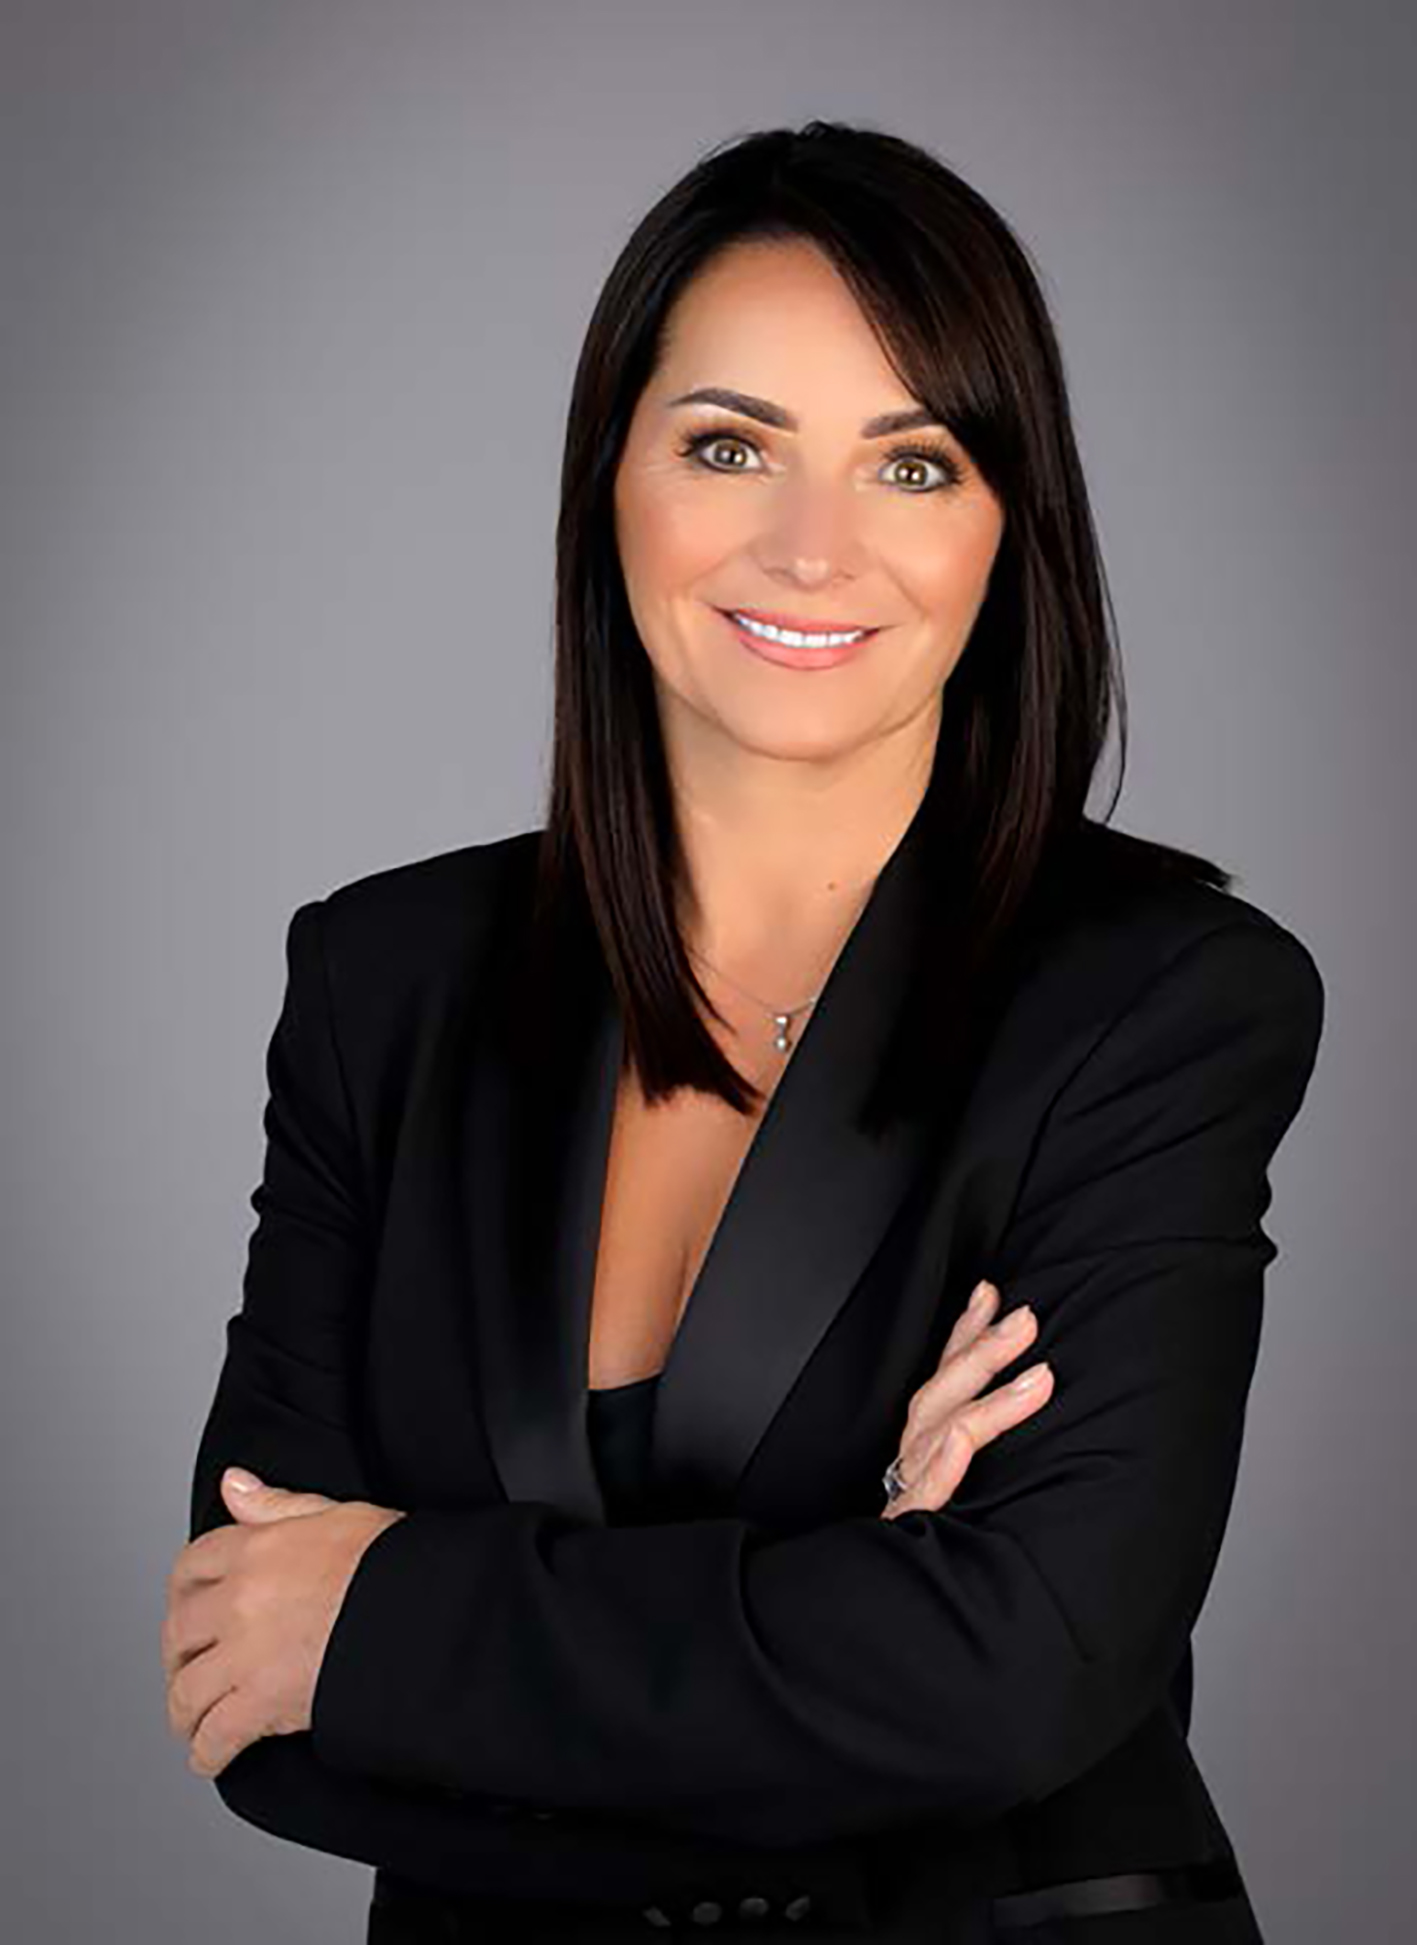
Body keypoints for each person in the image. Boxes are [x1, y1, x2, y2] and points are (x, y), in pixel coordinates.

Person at [161, 120, 1324, 1942]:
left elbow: (1019, 1672)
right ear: (608, 481)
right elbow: (246, 1679)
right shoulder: (385, 983)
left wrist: (388, 1628)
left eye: (911, 464)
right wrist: (850, 1616)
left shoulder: (1158, 1000)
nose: (811, 547)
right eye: (728, 445)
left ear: (1003, 528)